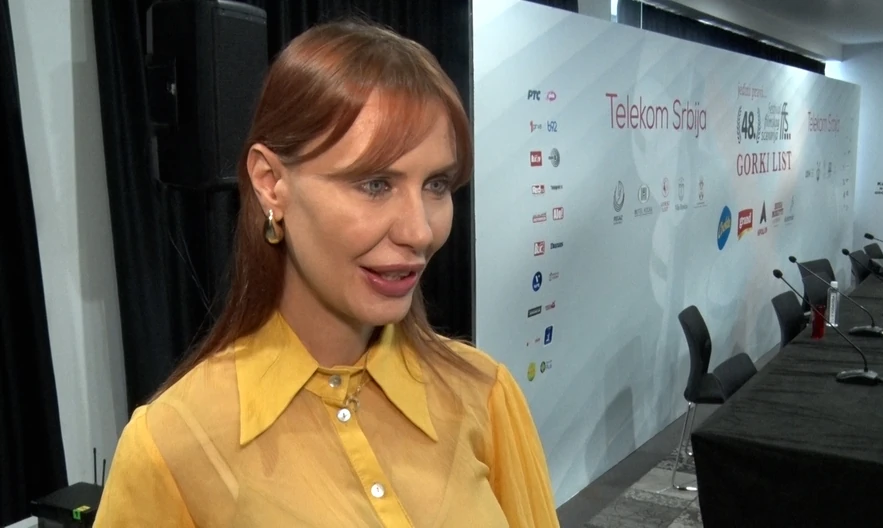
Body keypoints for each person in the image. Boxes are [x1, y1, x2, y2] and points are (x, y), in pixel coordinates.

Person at [94, 20, 559, 528]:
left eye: (437, 184)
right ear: (271, 183)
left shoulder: (484, 395)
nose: (419, 231)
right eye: (375, 184)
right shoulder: (171, 447)